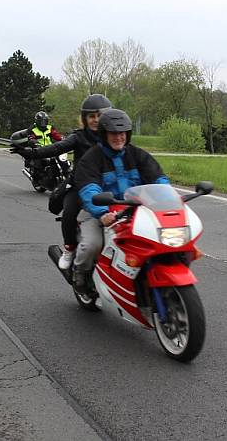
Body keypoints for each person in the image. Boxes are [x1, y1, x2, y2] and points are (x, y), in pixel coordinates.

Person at [71, 108, 170, 294]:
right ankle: (80, 273)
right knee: (92, 244)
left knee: (159, 241)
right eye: (113, 133)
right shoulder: (91, 159)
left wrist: (168, 197)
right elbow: (89, 189)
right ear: (104, 134)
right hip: (99, 212)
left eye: (122, 133)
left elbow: (158, 177)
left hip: (135, 212)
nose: (119, 137)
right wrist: (102, 213)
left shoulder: (138, 155)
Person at [14, 94, 112, 270]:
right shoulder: (79, 137)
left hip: (107, 186)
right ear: (85, 118)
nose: (96, 120)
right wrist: (28, 153)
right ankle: (69, 249)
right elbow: (55, 148)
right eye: (91, 116)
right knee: (69, 212)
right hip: (79, 184)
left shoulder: (114, 136)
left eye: (100, 115)